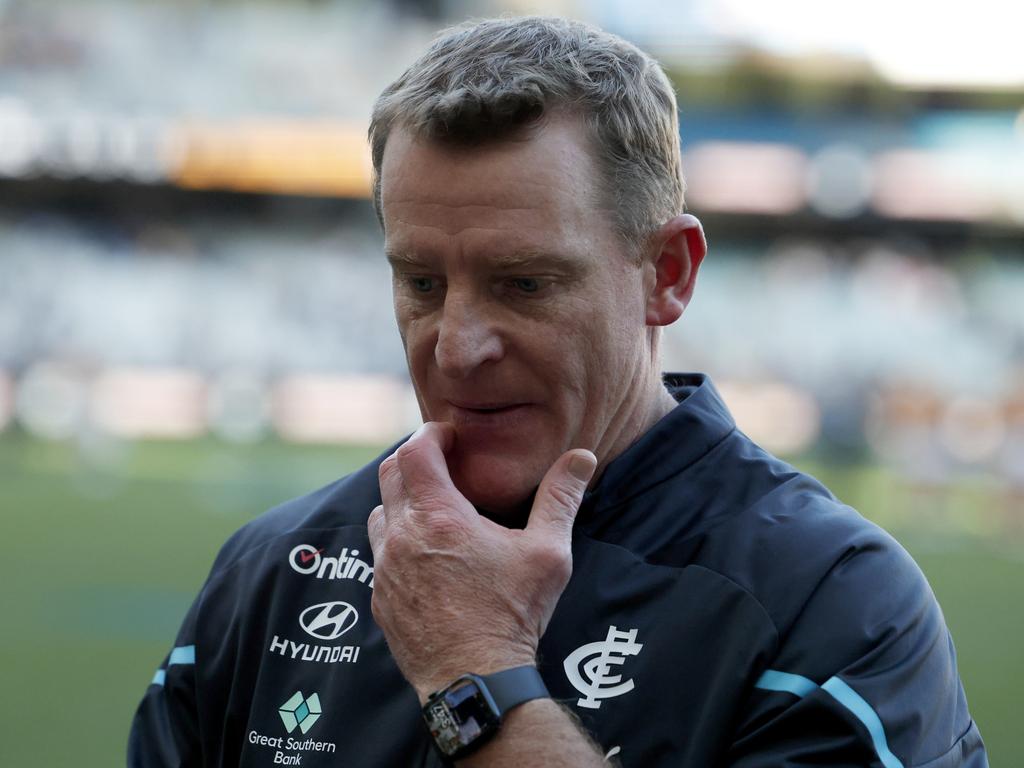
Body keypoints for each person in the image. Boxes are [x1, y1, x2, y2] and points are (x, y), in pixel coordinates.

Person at [129, 16, 987, 768]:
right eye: (421, 283)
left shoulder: (830, 603)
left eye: (525, 284)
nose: (458, 349)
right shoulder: (276, 569)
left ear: (667, 275)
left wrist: (475, 671)